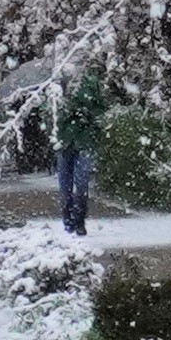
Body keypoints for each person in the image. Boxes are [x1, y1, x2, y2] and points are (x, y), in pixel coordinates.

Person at [54, 56, 113, 239]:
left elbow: (102, 111)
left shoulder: (92, 85)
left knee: (80, 182)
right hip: (65, 140)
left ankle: (78, 219)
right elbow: (54, 115)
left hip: (83, 140)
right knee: (66, 183)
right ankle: (68, 217)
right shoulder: (57, 88)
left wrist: (86, 115)